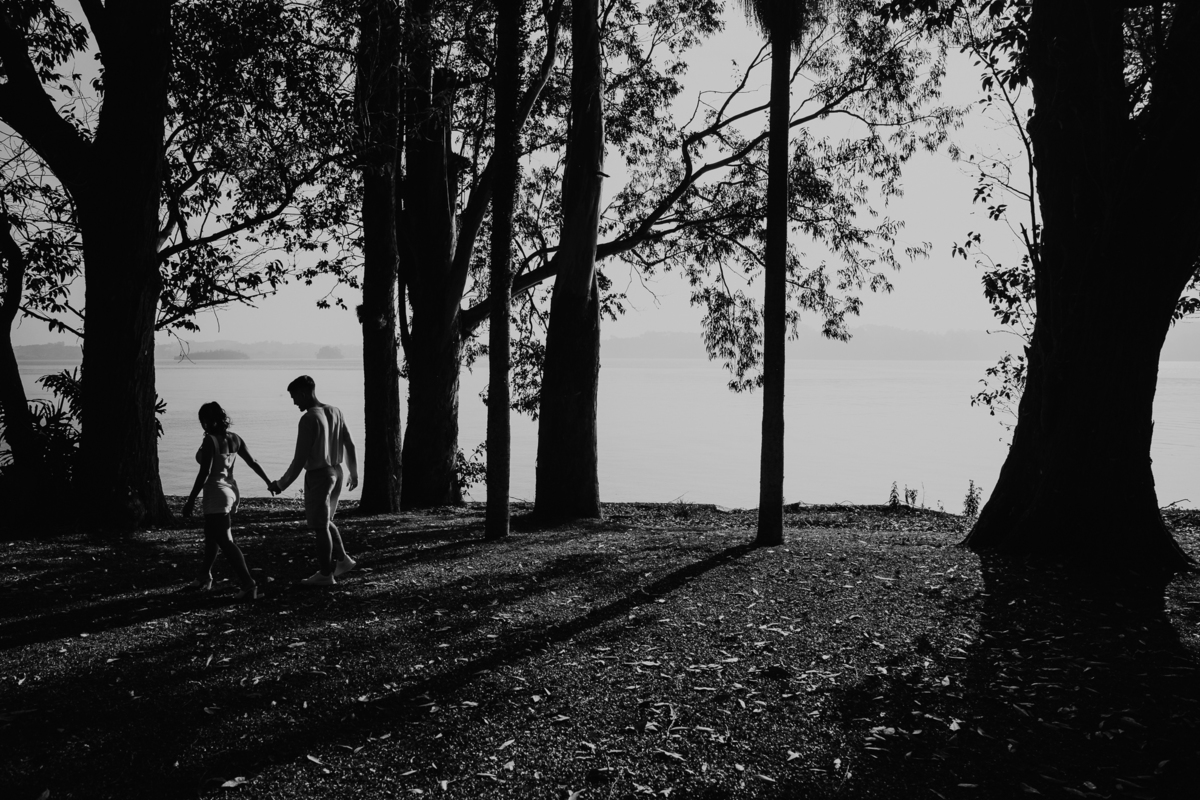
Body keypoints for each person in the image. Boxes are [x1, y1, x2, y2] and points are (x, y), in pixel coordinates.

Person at [269, 375, 359, 585]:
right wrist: (354, 473)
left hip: (320, 475)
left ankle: (326, 574)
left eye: (294, 397)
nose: (294, 402)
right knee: (325, 521)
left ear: (303, 393)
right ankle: (343, 560)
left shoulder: (308, 419)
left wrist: (281, 484)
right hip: (337, 472)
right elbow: (350, 444)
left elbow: (300, 459)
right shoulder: (336, 411)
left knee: (320, 527)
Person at [182, 401, 274, 600]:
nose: (202, 424)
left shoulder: (211, 441)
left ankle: (248, 584)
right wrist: (268, 482)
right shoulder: (235, 438)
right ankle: (204, 576)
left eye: (203, 420)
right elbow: (252, 462)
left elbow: (205, 473)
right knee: (211, 535)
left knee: (224, 540)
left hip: (216, 493)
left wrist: (190, 500)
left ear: (210, 420)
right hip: (231, 490)